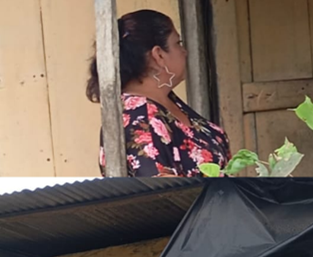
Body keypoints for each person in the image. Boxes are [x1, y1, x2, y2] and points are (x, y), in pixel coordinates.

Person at [87, 9, 231, 177]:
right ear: (159, 55)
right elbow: (160, 188)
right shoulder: (139, 116)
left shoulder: (165, 101)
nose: (184, 51)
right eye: (178, 43)